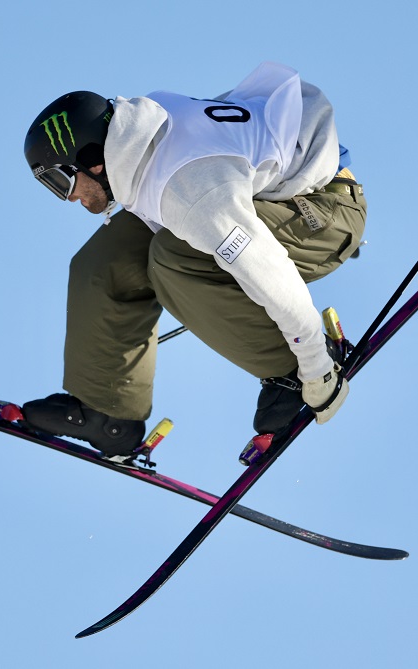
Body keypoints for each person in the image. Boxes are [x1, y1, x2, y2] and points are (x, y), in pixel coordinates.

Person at [20, 61, 367, 464]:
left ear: (94, 159)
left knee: (173, 258)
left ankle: (288, 372)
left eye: (61, 182)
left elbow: (270, 273)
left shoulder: (191, 187)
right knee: (106, 260)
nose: (69, 199)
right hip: (261, 193)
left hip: (324, 211)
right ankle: (107, 412)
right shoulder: (143, 144)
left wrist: (316, 367)